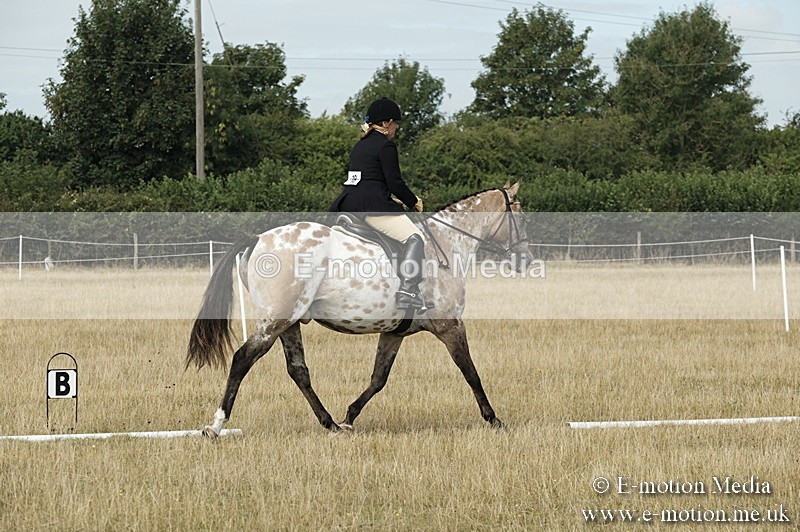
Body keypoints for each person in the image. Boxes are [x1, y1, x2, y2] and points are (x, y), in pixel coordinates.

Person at [329, 97, 430, 311]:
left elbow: (366, 180)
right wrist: (414, 202)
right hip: (371, 207)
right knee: (415, 237)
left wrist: (388, 198)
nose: (397, 128)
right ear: (385, 123)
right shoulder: (386, 146)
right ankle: (408, 290)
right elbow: (395, 183)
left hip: (348, 203)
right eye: (395, 123)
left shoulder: (359, 145)